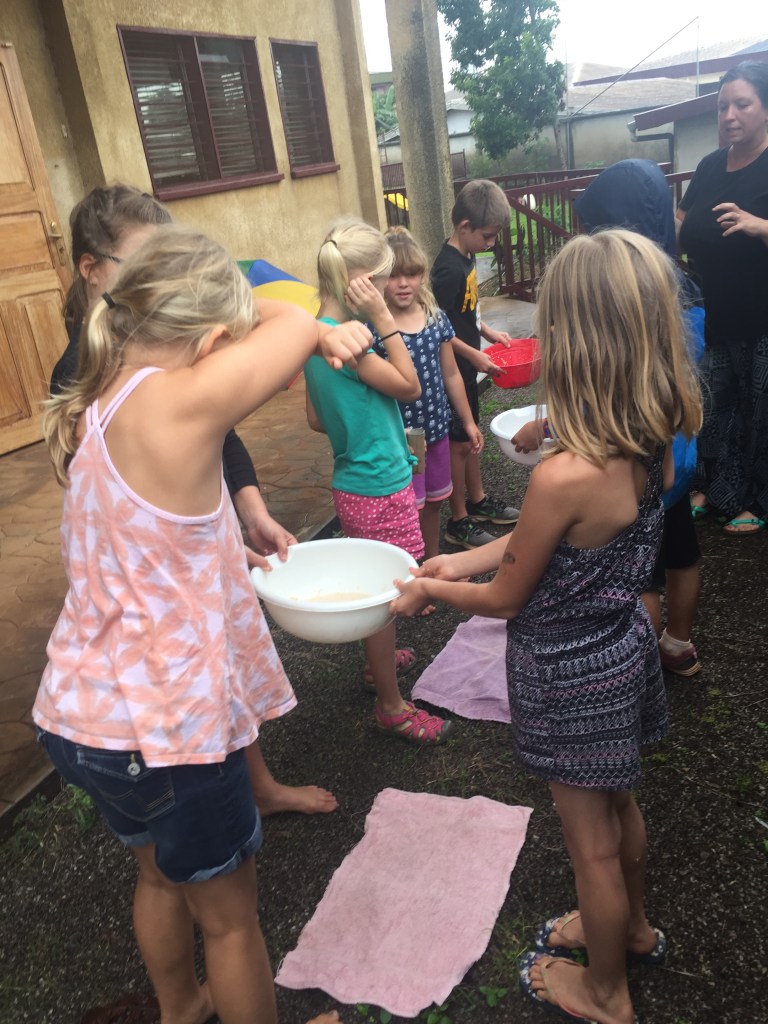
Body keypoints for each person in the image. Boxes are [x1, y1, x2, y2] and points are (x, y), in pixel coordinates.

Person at [34, 224, 369, 1024]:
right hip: (168, 736)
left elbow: (141, 540)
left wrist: (218, 550)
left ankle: (181, 1006)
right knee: (230, 922)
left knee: (157, 874)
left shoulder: (99, 402)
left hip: (86, 722)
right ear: (214, 343)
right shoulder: (178, 404)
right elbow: (293, 321)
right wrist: (300, 320)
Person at [393, 230, 702, 1024]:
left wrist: (433, 591)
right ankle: (632, 929)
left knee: (589, 844)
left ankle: (605, 992)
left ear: (576, 340)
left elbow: (506, 597)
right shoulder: (650, 438)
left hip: (567, 674)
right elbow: (540, 545)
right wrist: (456, 562)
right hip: (621, 648)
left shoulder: (564, 473)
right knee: (618, 807)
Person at [53, 184, 336, 816]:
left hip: (89, 704)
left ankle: (257, 789)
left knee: (155, 858)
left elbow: (139, 519)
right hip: (167, 712)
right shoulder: (161, 394)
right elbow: (294, 320)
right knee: (226, 881)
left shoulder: (107, 385)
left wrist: (230, 535)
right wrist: (264, 309)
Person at [304, 217, 452, 744]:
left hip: (352, 477)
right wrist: (383, 319)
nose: (390, 288)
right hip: (379, 482)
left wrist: (356, 417)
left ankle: (377, 664)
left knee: (379, 586)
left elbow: (315, 419)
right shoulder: (354, 348)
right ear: (363, 283)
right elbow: (410, 386)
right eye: (383, 279)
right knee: (386, 595)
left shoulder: (315, 336)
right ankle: (390, 706)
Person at [573, 158, 706, 677]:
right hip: (679, 450)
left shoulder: (621, 297)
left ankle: (642, 669)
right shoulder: (685, 287)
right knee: (682, 549)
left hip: (635, 459)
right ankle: (678, 645)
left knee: (640, 573)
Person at [677, 61, 768, 536]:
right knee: (713, 409)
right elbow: (682, 217)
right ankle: (714, 489)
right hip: (713, 315)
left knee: (760, 412)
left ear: (766, 108)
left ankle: (756, 500)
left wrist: (760, 226)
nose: (729, 115)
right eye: (722, 106)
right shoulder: (711, 165)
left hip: (762, 319)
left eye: (742, 104)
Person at [380, 227, 484, 560]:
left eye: (411, 274)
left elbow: (451, 374)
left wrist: (468, 422)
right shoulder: (375, 328)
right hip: (401, 440)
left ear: (422, 275)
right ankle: (410, 568)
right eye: (393, 275)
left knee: (436, 501)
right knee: (410, 507)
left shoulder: (434, 317)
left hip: (437, 432)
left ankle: (432, 561)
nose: (403, 283)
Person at [431, 179, 520, 549]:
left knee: (471, 439)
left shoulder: (466, 257)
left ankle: (478, 500)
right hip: (450, 370)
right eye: (487, 236)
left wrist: (488, 332)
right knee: (458, 444)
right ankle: (458, 520)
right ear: (464, 226)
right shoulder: (447, 271)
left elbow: (467, 312)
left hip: (466, 367)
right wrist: (472, 354)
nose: (491, 243)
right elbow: (436, 328)